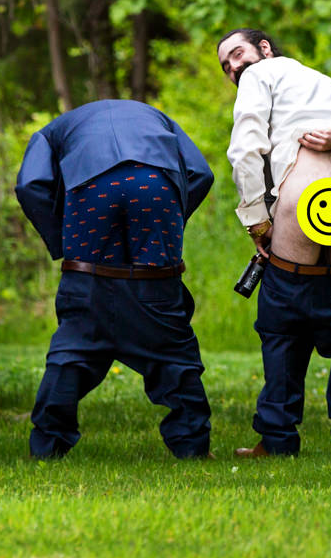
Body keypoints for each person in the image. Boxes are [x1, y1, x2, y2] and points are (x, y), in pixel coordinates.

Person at [218, 28, 331, 458]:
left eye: (237, 54)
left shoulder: (259, 77)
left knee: (283, 326)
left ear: (264, 49)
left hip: (300, 194)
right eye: (226, 65)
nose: (234, 67)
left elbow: (244, 149)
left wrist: (255, 221)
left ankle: (278, 441)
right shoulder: (327, 86)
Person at [15, 99, 215, 461]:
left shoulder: (52, 130)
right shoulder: (160, 117)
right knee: (163, 308)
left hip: (90, 190)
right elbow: (201, 173)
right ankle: (192, 445)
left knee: (80, 316)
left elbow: (30, 184)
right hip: (157, 185)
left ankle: (48, 446)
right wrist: (168, 219)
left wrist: (61, 241)